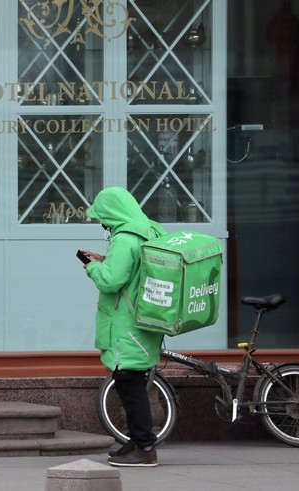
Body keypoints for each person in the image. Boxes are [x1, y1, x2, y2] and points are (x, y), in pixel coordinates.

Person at [79, 187, 166, 467]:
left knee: (130, 385)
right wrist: (103, 260)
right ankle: (136, 441)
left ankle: (145, 447)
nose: (102, 224)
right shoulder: (149, 230)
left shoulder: (124, 238)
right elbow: (133, 271)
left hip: (126, 326)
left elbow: (111, 281)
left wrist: (92, 268)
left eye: (102, 217)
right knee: (133, 383)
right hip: (144, 321)